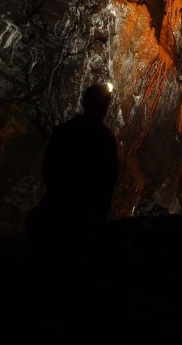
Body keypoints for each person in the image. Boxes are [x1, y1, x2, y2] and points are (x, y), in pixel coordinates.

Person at [25, 83, 119, 259]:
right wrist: (98, 214)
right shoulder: (105, 139)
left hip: (58, 208)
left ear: (84, 102)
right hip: (85, 214)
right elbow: (109, 181)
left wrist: (59, 193)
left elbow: (49, 167)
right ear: (105, 108)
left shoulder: (65, 130)